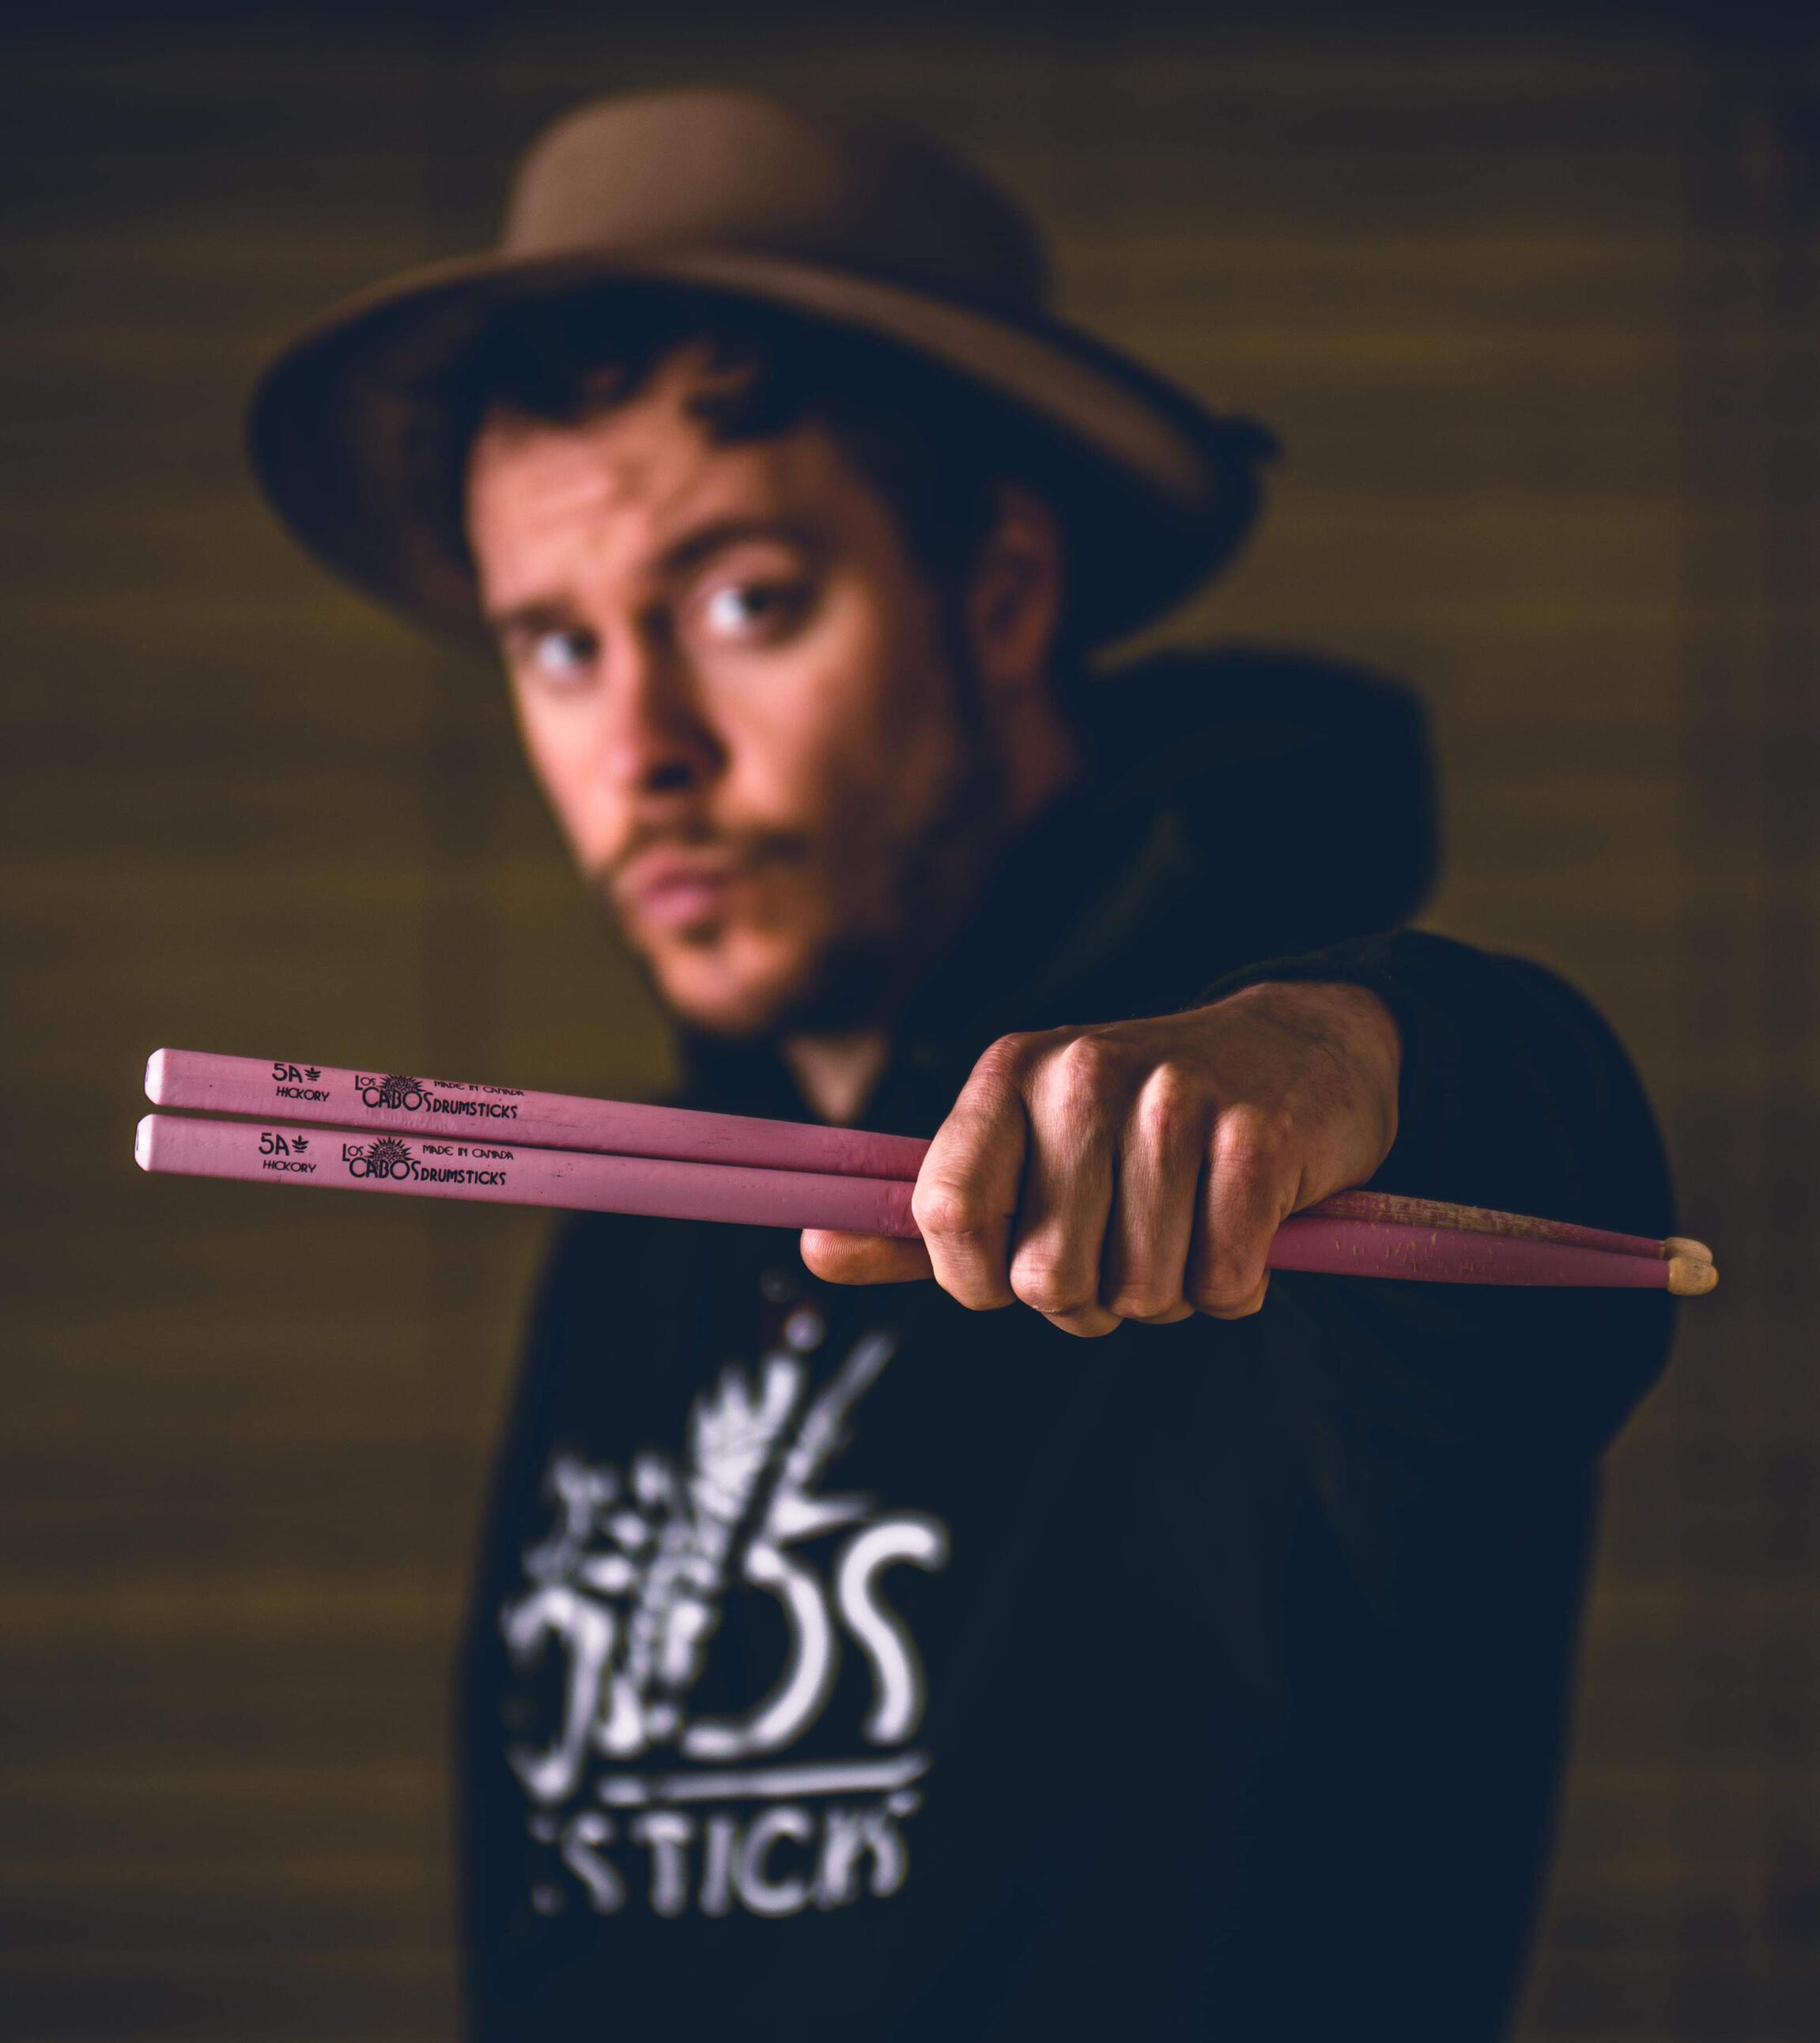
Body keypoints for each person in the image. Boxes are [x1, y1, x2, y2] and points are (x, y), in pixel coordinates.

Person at [248, 88, 1676, 2043]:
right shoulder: (639, 1218)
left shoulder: (1255, 1154)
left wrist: (1331, 1056)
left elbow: (1530, 1162)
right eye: (557, 644)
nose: (640, 746)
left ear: (998, 589)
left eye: (743, 601)